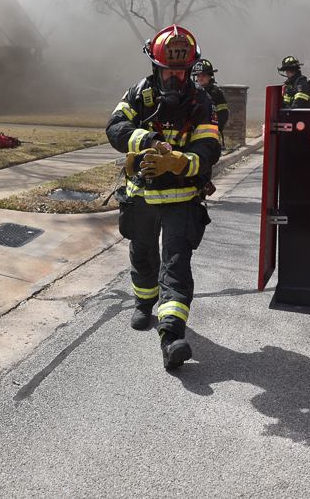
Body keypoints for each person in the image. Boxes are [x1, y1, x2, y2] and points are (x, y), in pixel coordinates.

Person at [107, 24, 221, 370]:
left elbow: (210, 147)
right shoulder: (138, 94)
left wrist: (181, 162)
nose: (175, 78)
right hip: (141, 196)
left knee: (176, 264)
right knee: (142, 255)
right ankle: (144, 304)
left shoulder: (202, 101)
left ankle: (171, 337)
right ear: (156, 67)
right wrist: (148, 141)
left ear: (191, 69)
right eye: (168, 71)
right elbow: (115, 127)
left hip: (182, 199)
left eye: (182, 72)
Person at [192, 59, 229, 138]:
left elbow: (223, 115)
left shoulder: (216, 93)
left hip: (210, 134)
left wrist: (215, 129)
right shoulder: (191, 92)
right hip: (192, 133)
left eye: (203, 76)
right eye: (198, 76)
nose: (200, 78)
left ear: (209, 77)